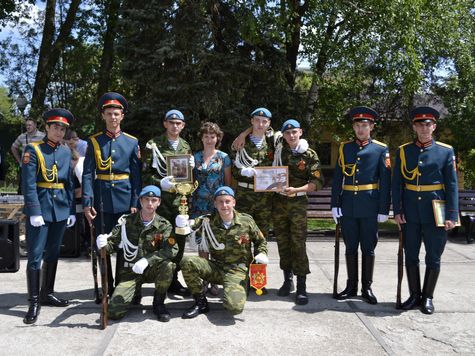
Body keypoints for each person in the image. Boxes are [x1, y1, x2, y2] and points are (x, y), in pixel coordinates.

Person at [392, 106, 458, 315]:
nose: (424, 128)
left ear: (434, 126)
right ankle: (414, 295)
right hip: (410, 211)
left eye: (428, 124)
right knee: (410, 254)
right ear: (414, 126)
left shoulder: (446, 151)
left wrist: (452, 215)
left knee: (434, 256)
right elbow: (397, 184)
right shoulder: (404, 151)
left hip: (435, 210)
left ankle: (427, 297)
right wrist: (398, 210)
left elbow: (453, 185)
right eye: (420, 124)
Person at [82, 92, 142, 296]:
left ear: (122, 116)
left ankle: (121, 286)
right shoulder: (94, 141)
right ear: (103, 116)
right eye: (109, 113)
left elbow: (136, 175)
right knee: (103, 243)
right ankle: (107, 284)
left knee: (126, 245)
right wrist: (88, 202)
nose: (113, 117)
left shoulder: (132, 142)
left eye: (116, 113)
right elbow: (88, 173)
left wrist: (135, 201)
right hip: (102, 200)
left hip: (125, 200)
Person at [176, 186, 268, 318]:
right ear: (215, 203)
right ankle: (201, 302)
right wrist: (181, 222)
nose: (224, 205)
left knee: (234, 308)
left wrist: (262, 253)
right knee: (187, 261)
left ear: (234, 202)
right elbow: (189, 226)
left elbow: (261, 241)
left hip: (237, 270)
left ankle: (238, 287)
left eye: (227, 201)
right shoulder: (207, 220)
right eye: (220, 202)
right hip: (216, 267)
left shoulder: (246, 221)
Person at [331, 106, 391, 305]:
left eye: (364, 125)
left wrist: (384, 208)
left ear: (371, 127)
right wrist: (335, 204)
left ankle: (367, 287)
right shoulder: (344, 148)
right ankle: (351, 285)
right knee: (350, 247)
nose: (360, 129)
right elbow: (338, 178)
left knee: (368, 248)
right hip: (348, 205)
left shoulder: (381, 149)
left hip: (369, 205)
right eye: (357, 125)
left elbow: (386, 181)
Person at [21, 108, 76, 324]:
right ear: (46, 128)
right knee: (35, 255)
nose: (59, 131)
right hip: (41, 209)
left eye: (63, 129)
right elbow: (28, 183)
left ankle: (47, 293)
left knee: (53, 252)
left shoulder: (64, 151)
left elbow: (69, 183)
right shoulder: (32, 149)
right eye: (55, 127)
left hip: (60, 209)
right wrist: (34, 210)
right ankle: (33, 301)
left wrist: (71, 210)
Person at [96, 185, 178, 322]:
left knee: (168, 266)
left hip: (152, 269)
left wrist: (147, 260)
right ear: (140, 201)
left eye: (153, 200)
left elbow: (171, 250)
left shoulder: (164, 225)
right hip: (130, 271)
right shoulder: (126, 222)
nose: (150, 204)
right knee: (114, 312)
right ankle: (135, 292)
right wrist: (102, 245)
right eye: (146, 199)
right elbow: (112, 245)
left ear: (159, 202)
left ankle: (159, 303)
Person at [271, 119, 324, 305]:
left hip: (298, 205)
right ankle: (288, 280)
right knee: (283, 243)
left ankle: (302, 285)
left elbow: (317, 182)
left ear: (300, 132)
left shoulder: (309, 154)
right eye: (287, 133)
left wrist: (297, 190)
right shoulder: (278, 151)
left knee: (298, 244)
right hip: (279, 205)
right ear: (283, 135)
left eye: (294, 132)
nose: (291, 136)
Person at [143, 109, 194, 297]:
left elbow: (188, 180)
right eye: (171, 122)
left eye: (178, 123)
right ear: (165, 123)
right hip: (160, 203)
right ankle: (159, 279)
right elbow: (145, 174)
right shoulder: (153, 145)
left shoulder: (186, 146)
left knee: (179, 242)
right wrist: (159, 183)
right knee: (159, 241)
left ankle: (173, 279)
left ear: (183, 126)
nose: (175, 126)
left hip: (180, 204)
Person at [190, 122, 232, 296]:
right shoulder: (195, 157)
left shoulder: (224, 157)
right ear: (201, 138)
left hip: (218, 206)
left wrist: (228, 204)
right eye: (206, 136)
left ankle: (216, 281)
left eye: (212, 136)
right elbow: (189, 182)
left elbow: (228, 183)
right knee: (202, 245)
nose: (209, 139)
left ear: (218, 138)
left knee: (217, 244)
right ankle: (204, 279)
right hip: (198, 206)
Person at [11, 118, 46, 193]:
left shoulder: (42, 136)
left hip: (38, 165)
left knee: (38, 186)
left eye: (30, 125)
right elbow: (13, 147)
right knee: (23, 187)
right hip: (25, 165)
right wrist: (19, 161)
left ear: (35, 125)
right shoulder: (22, 136)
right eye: (26, 125)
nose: (28, 127)